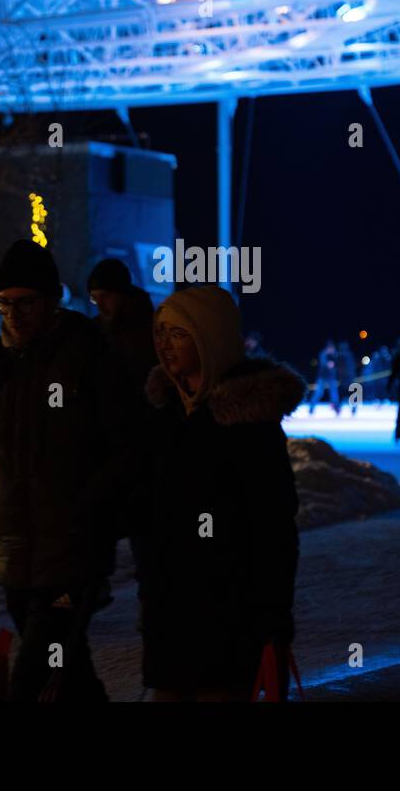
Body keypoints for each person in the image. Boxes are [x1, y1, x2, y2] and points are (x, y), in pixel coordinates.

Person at [0, 239, 137, 702]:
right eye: (4, 303)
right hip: (14, 566)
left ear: (52, 301)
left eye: (25, 302)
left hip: (72, 564)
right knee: (71, 676)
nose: (13, 314)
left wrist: (86, 518)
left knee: (29, 679)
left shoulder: (89, 356)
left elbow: (125, 452)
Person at [134, 285, 303, 701]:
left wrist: (275, 623)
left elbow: (275, 530)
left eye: (178, 333)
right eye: (161, 331)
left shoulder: (248, 426)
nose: (163, 343)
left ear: (209, 337)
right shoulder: (164, 416)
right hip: (170, 617)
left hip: (228, 621)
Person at [87, 257, 158, 393]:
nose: (100, 306)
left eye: (106, 296)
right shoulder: (95, 330)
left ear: (123, 295)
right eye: (95, 298)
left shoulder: (149, 332)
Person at [307, 339, 342, 415]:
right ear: (327, 348)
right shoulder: (323, 354)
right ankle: (311, 408)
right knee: (319, 392)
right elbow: (323, 363)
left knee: (334, 393)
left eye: (332, 348)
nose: (331, 350)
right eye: (330, 348)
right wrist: (328, 364)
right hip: (322, 377)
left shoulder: (335, 354)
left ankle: (337, 409)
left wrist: (333, 364)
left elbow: (337, 364)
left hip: (332, 377)